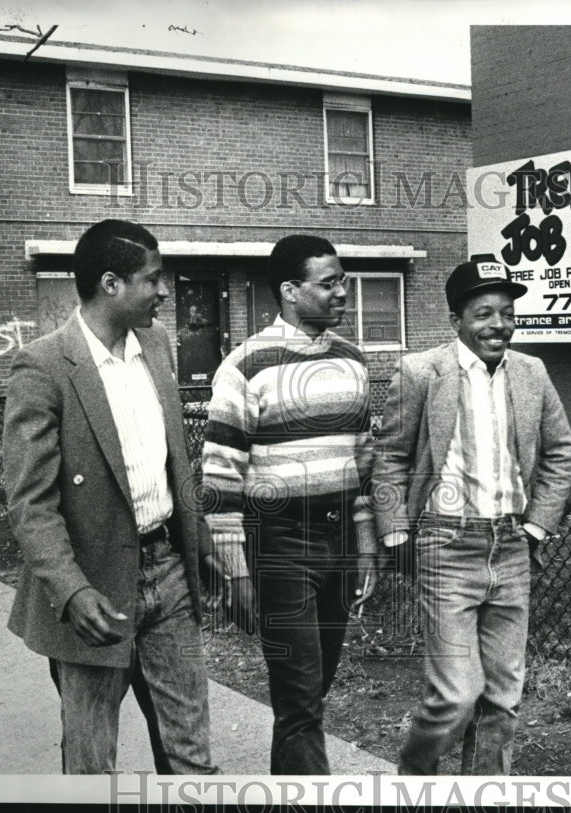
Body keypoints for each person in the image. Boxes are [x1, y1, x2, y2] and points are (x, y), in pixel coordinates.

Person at [3, 219, 218, 775]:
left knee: (190, 750)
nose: (164, 292)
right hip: (93, 587)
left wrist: (206, 546)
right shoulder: (45, 365)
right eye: (153, 279)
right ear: (111, 284)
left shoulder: (156, 344)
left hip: (167, 570)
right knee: (92, 759)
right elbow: (31, 501)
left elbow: (175, 463)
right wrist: (71, 591)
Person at [372, 253, 571, 775]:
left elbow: (560, 450)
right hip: (445, 545)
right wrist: (396, 535)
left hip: (511, 545)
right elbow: (391, 455)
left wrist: (536, 527)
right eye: (484, 313)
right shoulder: (421, 371)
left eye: (507, 313)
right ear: (457, 319)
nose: (498, 325)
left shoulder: (531, 372)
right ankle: (414, 784)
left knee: (503, 699)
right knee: (456, 696)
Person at [200, 234, 378, 775]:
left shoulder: (352, 360)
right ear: (290, 291)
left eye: (343, 281)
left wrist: (366, 542)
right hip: (280, 545)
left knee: (312, 691)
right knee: (299, 698)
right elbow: (219, 479)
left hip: (340, 541)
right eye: (330, 284)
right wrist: (236, 572)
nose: (343, 293)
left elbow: (364, 463)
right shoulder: (245, 365)